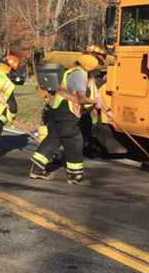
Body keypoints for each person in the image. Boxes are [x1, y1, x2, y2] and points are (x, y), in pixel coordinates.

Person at [30, 54, 101, 185]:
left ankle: (37, 169)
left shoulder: (71, 71)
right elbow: (81, 98)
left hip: (57, 109)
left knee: (54, 138)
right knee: (74, 140)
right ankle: (75, 176)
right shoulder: (80, 75)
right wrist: (94, 102)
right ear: (90, 66)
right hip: (66, 111)